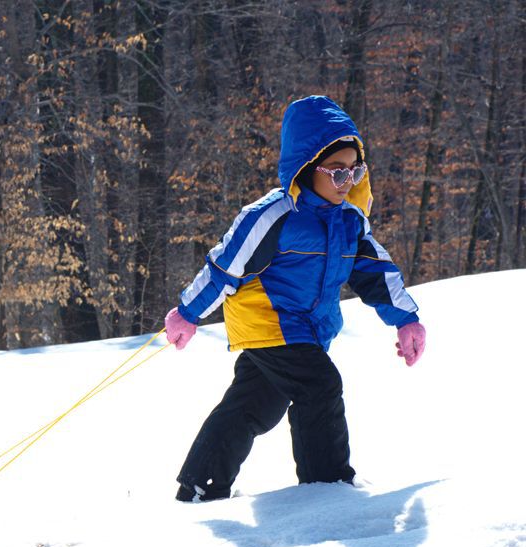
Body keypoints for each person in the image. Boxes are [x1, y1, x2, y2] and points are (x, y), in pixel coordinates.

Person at [164, 95, 426, 503]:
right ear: (307, 168)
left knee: (255, 404)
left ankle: (200, 485)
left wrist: (406, 319)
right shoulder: (273, 215)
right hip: (268, 320)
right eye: (337, 172)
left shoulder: (350, 222)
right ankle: (328, 488)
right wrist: (187, 313)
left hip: (306, 329)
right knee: (319, 385)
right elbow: (224, 267)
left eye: (354, 172)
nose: (347, 183)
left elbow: (377, 273)